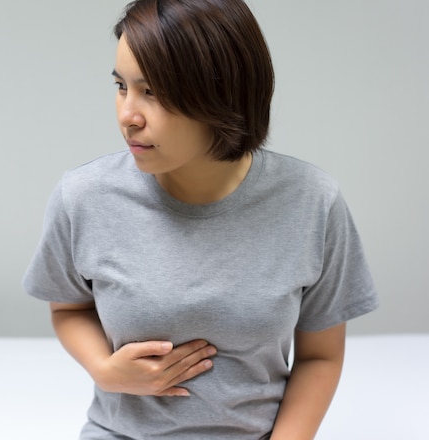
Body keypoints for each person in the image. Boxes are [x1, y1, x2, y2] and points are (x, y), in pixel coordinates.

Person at [22, 0, 379, 438]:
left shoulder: (312, 202)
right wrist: (104, 370)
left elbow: (320, 357)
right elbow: (69, 308)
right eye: (121, 86)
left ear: (221, 93)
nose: (127, 116)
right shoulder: (84, 197)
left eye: (152, 92)